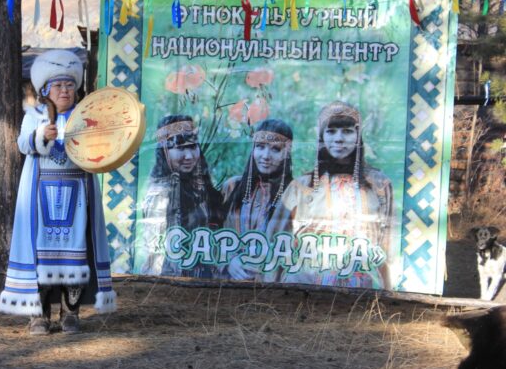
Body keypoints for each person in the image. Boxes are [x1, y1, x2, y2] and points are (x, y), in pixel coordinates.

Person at [0, 49, 116, 335]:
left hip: (78, 197)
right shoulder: (34, 115)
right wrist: (40, 136)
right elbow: (22, 144)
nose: (65, 90)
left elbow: (103, 148)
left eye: (70, 85)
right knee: (40, 255)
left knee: (75, 254)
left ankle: (70, 314)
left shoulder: (86, 117)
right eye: (59, 85)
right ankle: (39, 317)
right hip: (40, 198)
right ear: (45, 90)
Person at [267, 101, 394, 289]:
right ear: (321, 136)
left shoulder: (379, 184)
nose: (339, 139)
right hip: (304, 285)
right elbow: (275, 241)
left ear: (358, 136)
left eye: (347, 131)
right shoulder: (302, 186)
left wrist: (388, 291)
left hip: (363, 287)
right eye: (331, 131)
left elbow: (387, 244)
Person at [139, 114, 224, 278]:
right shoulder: (159, 192)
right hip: (168, 278)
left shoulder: (203, 188)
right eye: (180, 148)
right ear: (164, 152)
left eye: (193, 147)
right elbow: (157, 250)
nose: (189, 156)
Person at [220, 119, 293, 280]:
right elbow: (213, 234)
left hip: (273, 285)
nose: (266, 156)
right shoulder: (232, 187)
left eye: (275, 149)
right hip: (228, 282)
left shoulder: (294, 194)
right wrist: (229, 261)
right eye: (260, 147)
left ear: (286, 153)